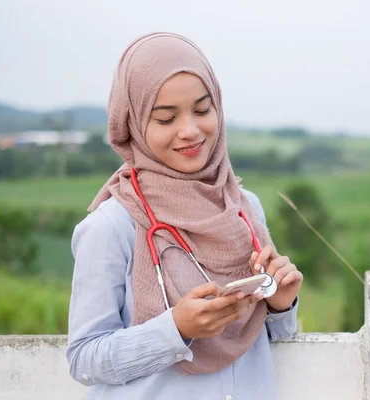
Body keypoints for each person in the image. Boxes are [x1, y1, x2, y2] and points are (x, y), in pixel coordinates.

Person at [66, 32, 303, 400]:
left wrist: (280, 303)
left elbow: (274, 336)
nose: (190, 131)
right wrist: (175, 328)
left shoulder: (244, 208)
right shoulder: (112, 227)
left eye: (203, 110)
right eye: (165, 118)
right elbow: (84, 359)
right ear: (133, 125)